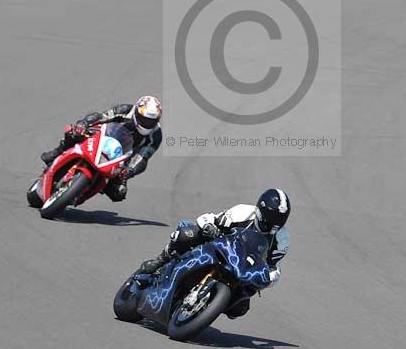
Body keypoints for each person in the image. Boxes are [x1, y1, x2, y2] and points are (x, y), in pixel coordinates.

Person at [137, 188, 291, 318]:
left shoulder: (282, 239)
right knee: (187, 234)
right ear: (260, 210)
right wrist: (210, 227)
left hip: (243, 268)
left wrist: (269, 276)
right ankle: (161, 259)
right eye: (271, 217)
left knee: (240, 309)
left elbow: (271, 266)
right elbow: (208, 218)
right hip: (220, 247)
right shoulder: (242, 212)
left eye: (279, 219)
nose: (273, 223)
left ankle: (205, 308)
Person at [40, 96, 162, 202]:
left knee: (118, 193)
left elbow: (143, 157)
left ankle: (88, 188)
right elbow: (101, 116)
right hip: (102, 136)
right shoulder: (125, 110)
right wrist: (84, 123)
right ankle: (57, 152)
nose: (147, 123)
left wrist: (129, 171)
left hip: (121, 157)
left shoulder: (156, 135)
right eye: (144, 119)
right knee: (74, 133)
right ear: (136, 113)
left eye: (151, 121)